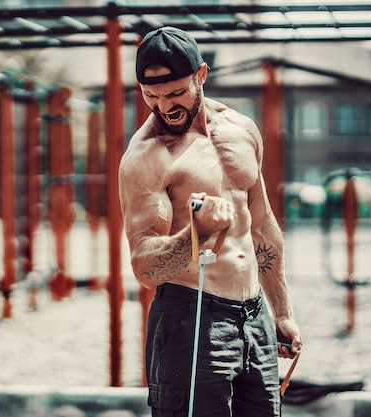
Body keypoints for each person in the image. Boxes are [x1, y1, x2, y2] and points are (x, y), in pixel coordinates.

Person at [118, 26, 302, 417]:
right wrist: (195, 236)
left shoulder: (241, 131)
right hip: (190, 316)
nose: (164, 107)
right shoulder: (146, 157)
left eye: (175, 93)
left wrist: (281, 313)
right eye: (151, 96)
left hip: (255, 316)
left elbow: (263, 226)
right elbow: (145, 267)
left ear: (201, 76)